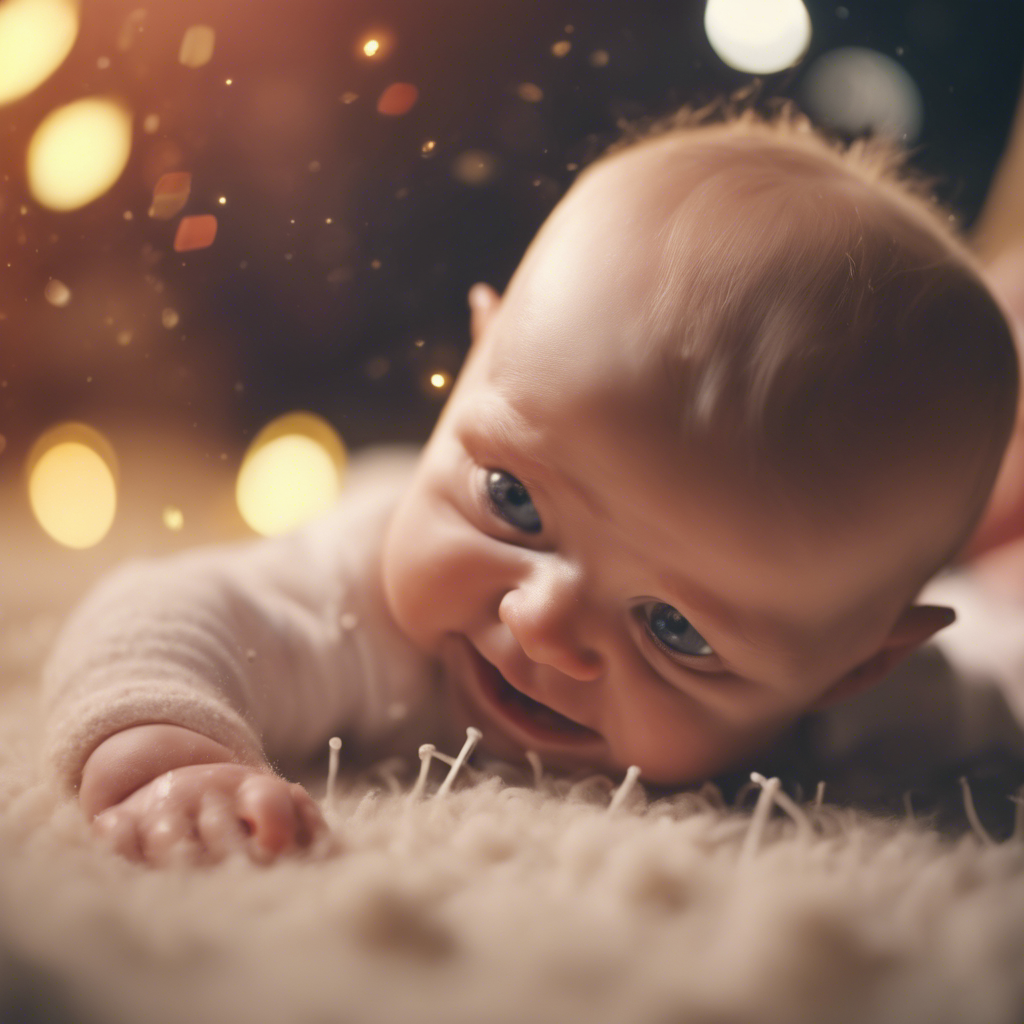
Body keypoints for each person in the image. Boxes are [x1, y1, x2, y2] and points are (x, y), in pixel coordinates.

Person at [39, 108, 1020, 866]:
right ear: (477, 358)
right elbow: (160, 614)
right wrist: (173, 760)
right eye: (512, 500)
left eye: (674, 628)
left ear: (854, 667)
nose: (542, 623)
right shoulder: (355, 603)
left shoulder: (887, 707)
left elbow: (991, 711)